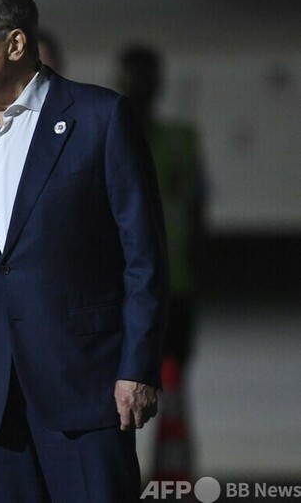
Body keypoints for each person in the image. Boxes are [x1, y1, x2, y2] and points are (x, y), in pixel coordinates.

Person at [0, 0, 168, 502]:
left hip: (86, 391)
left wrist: (137, 367)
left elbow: (144, 257)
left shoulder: (100, 118)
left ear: (14, 43)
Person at [118, 45, 203, 479]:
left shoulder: (181, 140)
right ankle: (124, 478)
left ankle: (173, 483)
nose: (140, 87)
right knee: (122, 395)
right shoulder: (110, 136)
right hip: (125, 290)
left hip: (175, 288)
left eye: (146, 78)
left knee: (173, 392)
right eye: (134, 78)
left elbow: (197, 212)